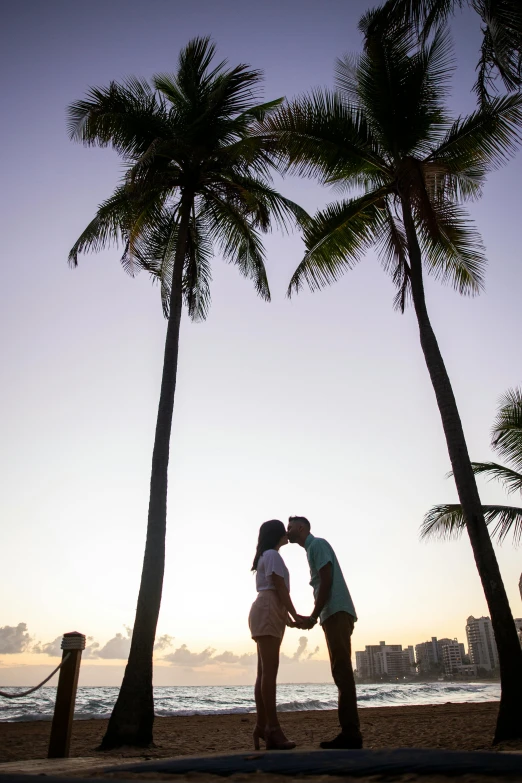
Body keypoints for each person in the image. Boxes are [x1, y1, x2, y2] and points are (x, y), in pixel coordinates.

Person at [287, 515, 363, 749]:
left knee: (341, 671)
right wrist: (312, 618)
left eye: (289, 528)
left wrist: (312, 615)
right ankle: (350, 732)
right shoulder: (312, 548)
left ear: (301, 528)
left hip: (336, 611)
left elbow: (326, 580)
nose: (287, 531)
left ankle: (351, 734)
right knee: (340, 671)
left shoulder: (317, 545)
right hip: (332, 612)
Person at [248, 519, 300, 750]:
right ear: (278, 534)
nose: (287, 532)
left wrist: (286, 616)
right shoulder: (272, 555)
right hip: (268, 608)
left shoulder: (266, 556)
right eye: (284, 530)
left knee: (263, 673)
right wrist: (295, 614)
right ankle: (273, 729)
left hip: (268, 609)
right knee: (269, 673)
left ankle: (262, 726)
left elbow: (275, 589)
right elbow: (279, 587)